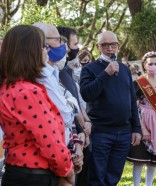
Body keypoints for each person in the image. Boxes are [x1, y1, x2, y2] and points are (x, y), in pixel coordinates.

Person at [0, 25, 74, 186]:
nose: (46, 52)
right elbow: (49, 141)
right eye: (44, 47)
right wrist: (68, 171)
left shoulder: (10, 86)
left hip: (20, 172)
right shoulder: (27, 92)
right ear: (30, 51)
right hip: (35, 175)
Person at [80, 30, 142, 186]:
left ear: (118, 47)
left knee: (114, 175)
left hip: (123, 132)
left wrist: (136, 128)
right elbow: (87, 94)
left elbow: (132, 100)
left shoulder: (125, 70)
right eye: (105, 45)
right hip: (101, 131)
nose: (110, 49)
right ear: (98, 47)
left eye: (113, 45)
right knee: (97, 175)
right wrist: (105, 73)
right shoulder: (89, 69)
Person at [33, 22, 84, 177]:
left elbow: (70, 104)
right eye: (58, 40)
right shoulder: (40, 76)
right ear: (42, 43)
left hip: (62, 150)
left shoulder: (53, 73)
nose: (65, 47)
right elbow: (67, 114)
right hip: (47, 160)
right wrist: (69, 103)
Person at [127, 51, 156, 186]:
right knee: (139, 159)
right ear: (144, 65)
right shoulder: (139, 83)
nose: (153, 66)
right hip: (143, 119)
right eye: (150, 64)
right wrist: (142, 128)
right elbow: (134, 107)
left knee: (153, 160)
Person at [57, 26, 92, 186]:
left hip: (77, 136)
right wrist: (80, 129)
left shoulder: (67, 71)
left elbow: (76, 101)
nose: (76, 48)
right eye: (74, 44)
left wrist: (86, 122)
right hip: (67, 139)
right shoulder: (59, 72)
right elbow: (68, 108)